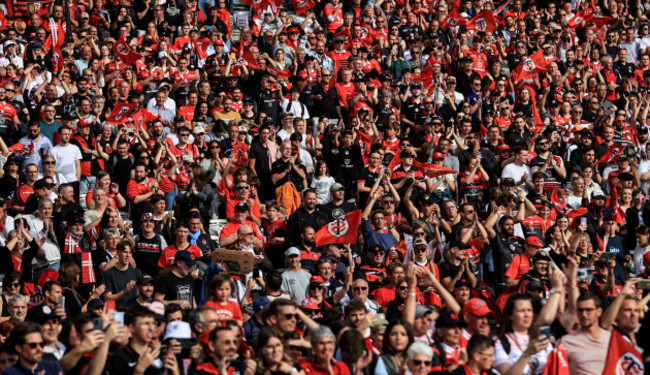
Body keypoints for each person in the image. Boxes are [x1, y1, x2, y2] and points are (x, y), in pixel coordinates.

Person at [559, 291, 612, 375]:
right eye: (580, 310)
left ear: (599, 311)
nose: (583, 314)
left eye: (588, 310)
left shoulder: (612, 340)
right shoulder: (566, 342)